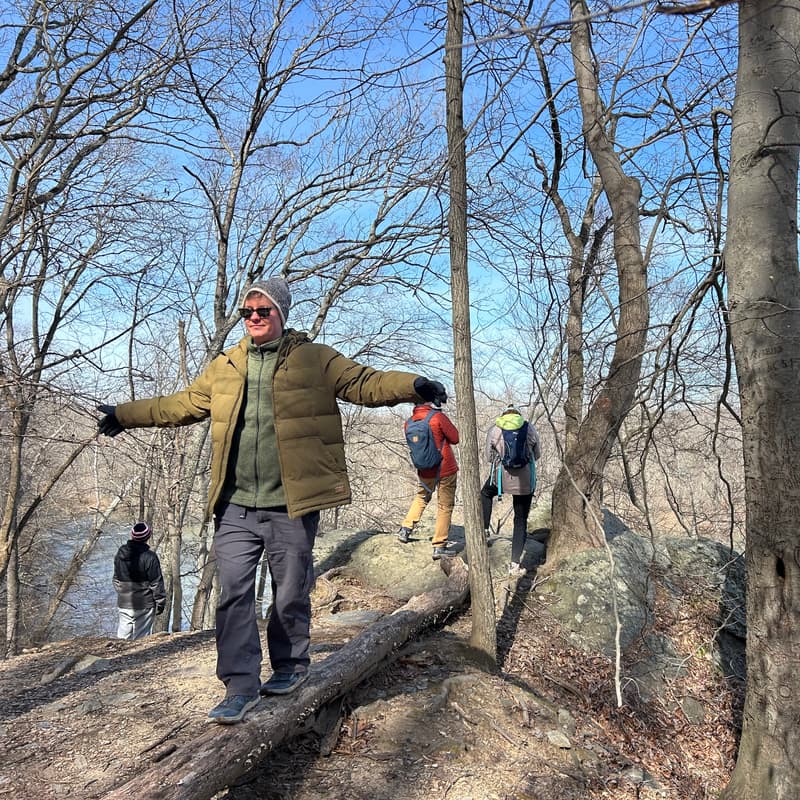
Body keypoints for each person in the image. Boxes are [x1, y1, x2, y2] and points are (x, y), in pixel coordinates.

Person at [96, 276, 447, 724]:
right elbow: (179, 405)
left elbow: (365, 382)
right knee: (233, 594)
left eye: (264, 311)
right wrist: (125, 416)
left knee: (288, 594)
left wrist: (413, 385)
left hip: (291, 505)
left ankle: (291, 667)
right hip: (235, 506)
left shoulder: (314, 359)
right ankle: (240, 686)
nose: (255, 319)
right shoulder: (225, 367)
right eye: (248, 313)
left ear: (281, 313)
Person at [481, 405, 541, 576]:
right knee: (520, 519)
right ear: (518, 416)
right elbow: (537, 454)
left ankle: (485, 530)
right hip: (524, 481)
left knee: (485, 493)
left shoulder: (495, 430)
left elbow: (489, 457)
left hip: (501, 478)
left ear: (504, 415)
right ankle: (515, 564)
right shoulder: (529, 428)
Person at [396, 402, 459, 560]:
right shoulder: (438, 417)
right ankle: (439, 546)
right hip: (445, 467)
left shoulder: (409, 423)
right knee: (444, 506)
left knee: (421, 497)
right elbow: (455, 438)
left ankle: (405, 529)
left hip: (424, 469)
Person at [113, 522, 166, 640]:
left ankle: (119, 657)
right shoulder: (150, 557)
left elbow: (116, 579)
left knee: (122, 638)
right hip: (144, 603)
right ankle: (138, 658)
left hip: (124, 602)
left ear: (132, 536)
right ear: (147, 537)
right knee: (141, 640)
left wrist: (123, 593)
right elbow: (156, 583)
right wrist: (160, 603)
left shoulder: (120, 553)